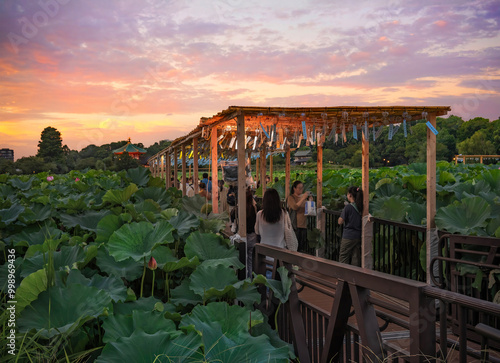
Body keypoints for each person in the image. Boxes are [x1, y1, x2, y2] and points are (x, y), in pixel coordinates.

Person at [338, 186, 363, 266]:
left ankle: (342, 276)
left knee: (344, 256)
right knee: (355, 258)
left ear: (350, 195)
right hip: (358, 235)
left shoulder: (348, 207)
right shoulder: (361, 207)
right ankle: (354, 277)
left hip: (348, 236)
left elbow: (340, 221)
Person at [286, 181, 311, 252]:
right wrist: (303, 198)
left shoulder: (304, 197)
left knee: (302, 247)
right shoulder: (291, 197)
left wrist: (310, 201)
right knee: (295, 246)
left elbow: (309, 210)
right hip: (295, 225)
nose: (301, 190)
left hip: (304, 224)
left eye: (302, 188)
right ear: (294, 188)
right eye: (299, 188)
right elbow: (295, 207)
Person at [246, 188, 258, 277]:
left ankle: (244, 278)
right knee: (251, 260)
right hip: (253, 236)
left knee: (243, 259)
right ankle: (251, 279)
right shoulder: (254, 208)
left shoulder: (240, 208)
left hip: (244, 236)